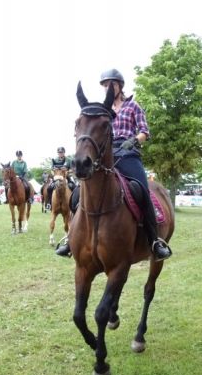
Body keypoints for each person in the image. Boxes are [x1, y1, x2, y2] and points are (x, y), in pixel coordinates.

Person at [56, 69, 172, 262]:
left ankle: (154, 241)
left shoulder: (133, 106)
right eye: (105, 85)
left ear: (120, 86)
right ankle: (71, 238)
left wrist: (133, 140)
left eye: (112, 84)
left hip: (128, 154)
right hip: (105, 155)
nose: (108, 87)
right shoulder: (104, 109)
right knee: (77, 193)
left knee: (142, 191)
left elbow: (144, 131)